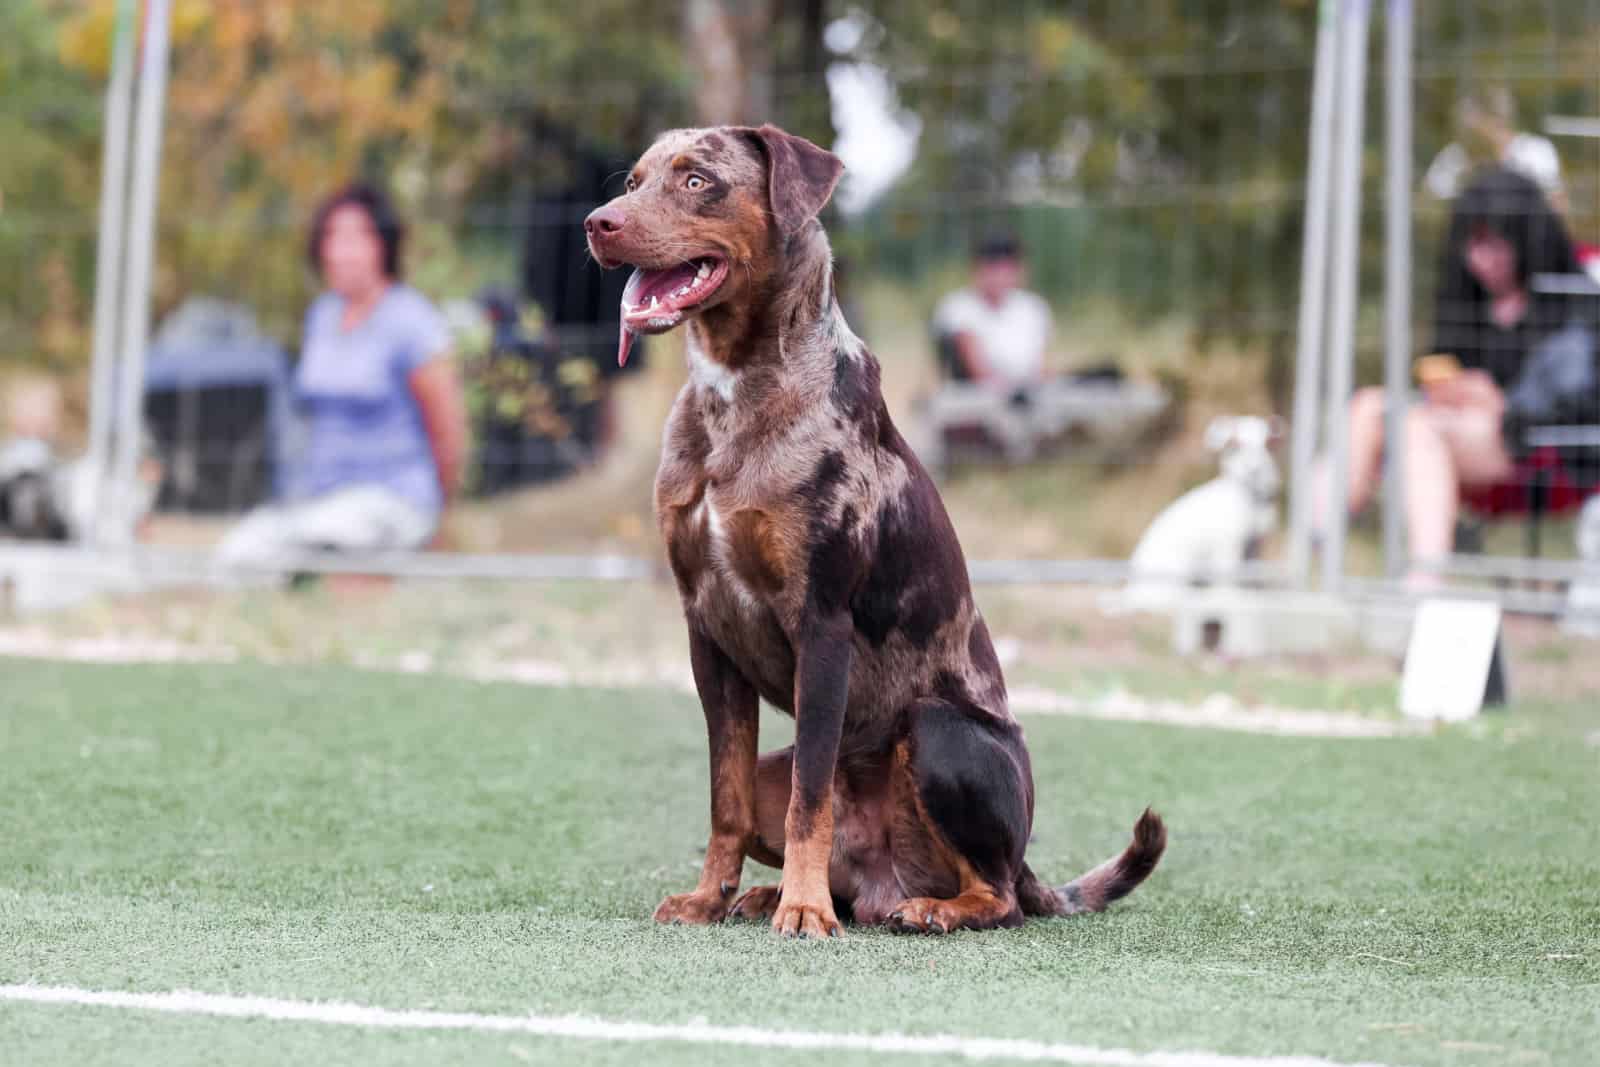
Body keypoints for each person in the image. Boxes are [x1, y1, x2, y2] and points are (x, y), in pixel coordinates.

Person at [1339, 167, 1597, 580]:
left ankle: (1426, 579)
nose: (1483, 262)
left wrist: (1498, 400)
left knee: (1420, 429)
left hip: (1538, 448)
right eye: (1474, 248)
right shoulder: (1470, 298)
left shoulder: (1570, 296)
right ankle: (1319, 546)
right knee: (1368, 406)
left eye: (1497, 247)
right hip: (1464, 430)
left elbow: (1572, 398)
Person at [218, 184, 467, 570]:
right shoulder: (322, 316)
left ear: (383, 245)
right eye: (331, 238)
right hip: (321, 499)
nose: (339, 252)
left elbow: (448, 432)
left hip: (391, 502)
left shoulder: (412, 322)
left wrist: (439, 517)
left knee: (313, 544)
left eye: (355, 238)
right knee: (241, 548)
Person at [932, 234, 1054, 390]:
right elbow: (978, 371)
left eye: (1007, 269)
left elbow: (1041, 366)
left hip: (1029, 393)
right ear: (976, 269)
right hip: (978, 398)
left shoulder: (1034, 308)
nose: (999, 277)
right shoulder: (958, 307)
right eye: (993, 268)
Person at [1424, 87, 1566, 215]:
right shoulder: (1453, 155)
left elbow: (1557, 206)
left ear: (1498, 122)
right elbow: (1427, 204)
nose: (1467, 136)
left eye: (1474, 130)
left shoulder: (1535, 151)